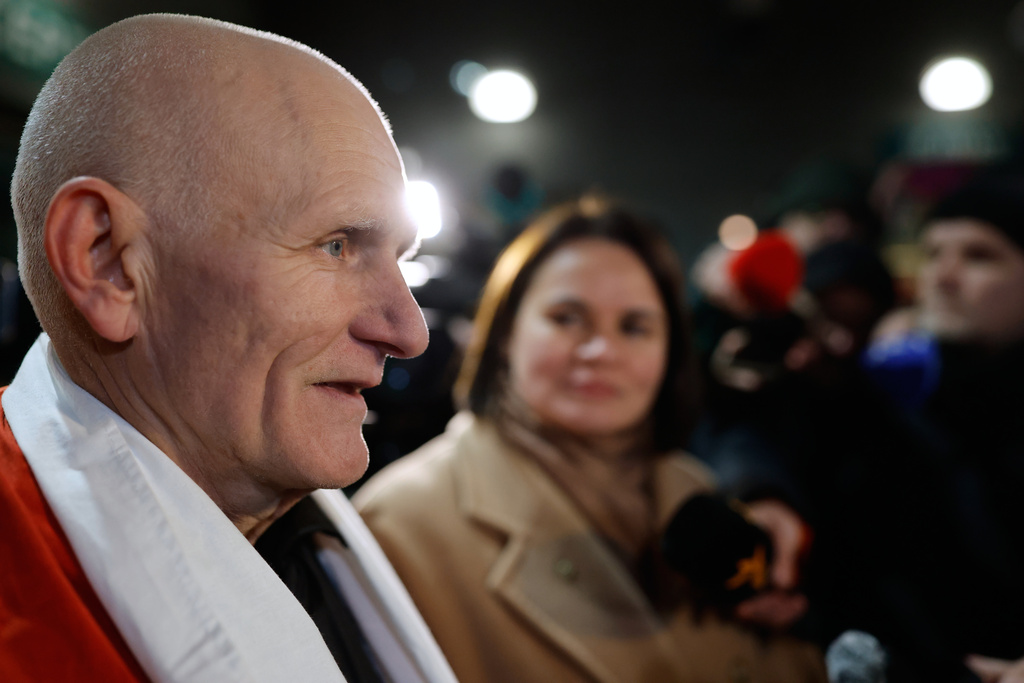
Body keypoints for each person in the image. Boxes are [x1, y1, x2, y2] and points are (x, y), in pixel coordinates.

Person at [0, 14, 457, 683]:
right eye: (336, 245)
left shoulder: (303, 539)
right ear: (108, 262)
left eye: (399, 258)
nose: (407, 330)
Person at [354, 197, 827, 683]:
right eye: (567, 317)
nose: (602, 350)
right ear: (503, 333)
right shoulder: (401, 524)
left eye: (635, 326)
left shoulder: (696, 490)